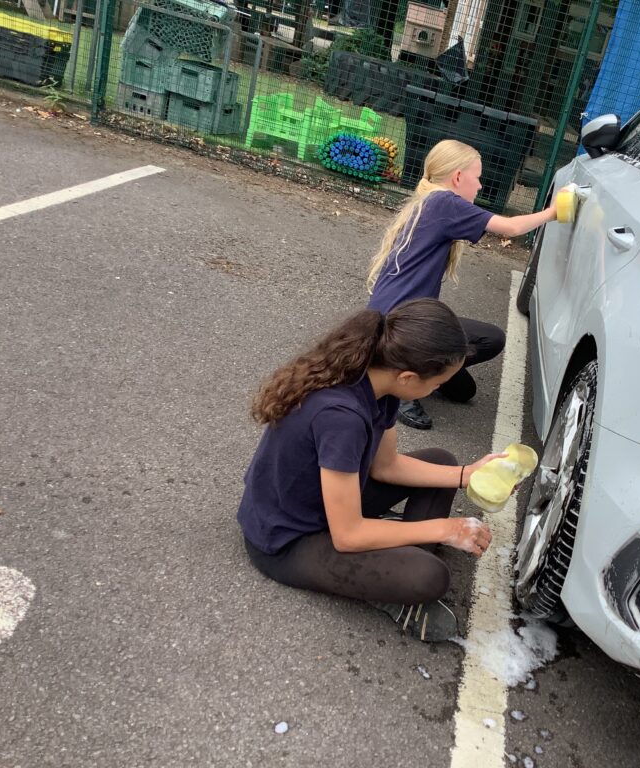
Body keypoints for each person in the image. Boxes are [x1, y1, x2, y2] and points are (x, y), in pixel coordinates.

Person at [237, 298, 504, 642]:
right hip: (287, 540)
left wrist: (469, 474)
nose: (437, 390)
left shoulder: (380, 381)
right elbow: (347, 535)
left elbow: (386, 466)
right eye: (438, 384)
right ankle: (394, 580)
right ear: (409, 377)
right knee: (429, 577)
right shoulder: (341, 418)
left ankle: (393, 557)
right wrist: (444, 528)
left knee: (442, 461)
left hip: (327, 504)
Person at [367, 139, 557, 430]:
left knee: (483, 355)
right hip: (399, 325)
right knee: (475, 357)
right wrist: (554, 211)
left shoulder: (434, 203)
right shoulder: (445, 202)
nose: (480, 186)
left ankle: (427, 369)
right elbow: (512, 227)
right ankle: (399, 382)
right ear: (457, 177)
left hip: (405, 320)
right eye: (477, 177)